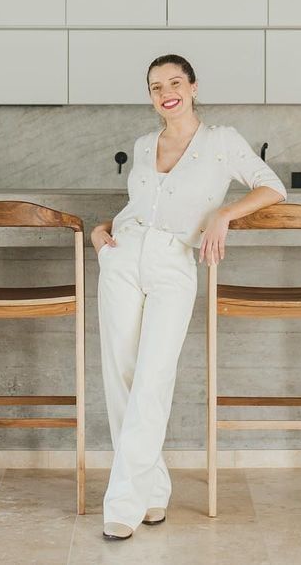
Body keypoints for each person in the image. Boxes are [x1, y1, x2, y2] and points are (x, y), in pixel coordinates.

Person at [92, 53, 286, 540]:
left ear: (194, 87)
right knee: (121, 375)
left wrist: (223, 215)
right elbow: (141, 203)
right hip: (121, 253)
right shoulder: (143, 145)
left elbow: (272, 187)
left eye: (174, 82)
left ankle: (122, 502)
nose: (166, 92)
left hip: (175, 260)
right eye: (156, 87)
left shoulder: (222, 141)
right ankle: (151, 492)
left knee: (154, 376)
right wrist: (101, 234)